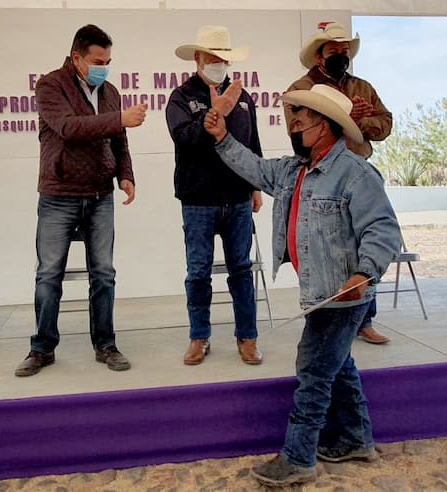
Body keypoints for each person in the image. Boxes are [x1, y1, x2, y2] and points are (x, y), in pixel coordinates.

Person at [204, 84, 400, 487]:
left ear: (326, 126)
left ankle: (298, 458)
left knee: (312, 371)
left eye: (301, 119)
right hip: (321, 293)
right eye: (292, 117)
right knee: (338, 364)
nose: (293, 125)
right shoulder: (295, 170)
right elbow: (255, 169)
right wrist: (223, 138)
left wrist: (363, 275)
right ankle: (357, 438)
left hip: (342, 297)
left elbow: (382, 229)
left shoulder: (357, 173)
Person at [15, 24, 146, 376]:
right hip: (59, 194)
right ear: (76, 57)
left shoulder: (111, 92)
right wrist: (119, 118)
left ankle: (105, 344)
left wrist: (127, 175)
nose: (105, 67)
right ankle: (42, 348)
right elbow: (69, 128)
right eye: (99, 61)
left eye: (109, 61)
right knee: (48, 275)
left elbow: (119, 140)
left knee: (103, 274)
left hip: (101, 194)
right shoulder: (50, 86)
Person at [285, 21, 393, 345]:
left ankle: (364, 318)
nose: (340, 57)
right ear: (319, 56)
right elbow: (297, 134)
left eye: (344, 52)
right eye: (334, 52)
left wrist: (360, 122)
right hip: (320, 177)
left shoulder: (362, 87)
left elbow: (385, 124)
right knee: (324, 248)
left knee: (362, 246)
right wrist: (341, 121)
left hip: (357, 173)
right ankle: (322, 313)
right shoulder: (301, 88)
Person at [166, 25, 264, 366]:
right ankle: (199, 337)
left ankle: (247, 337)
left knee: (241, 269)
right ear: (198, 58)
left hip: (237, 198)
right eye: (212, 58)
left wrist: (255, 184)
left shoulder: (243, 97)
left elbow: (252, 143)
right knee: (198, 272)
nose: (219, 63)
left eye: (224, 58)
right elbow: (184, 139)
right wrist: (216, 112)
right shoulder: (181, 97)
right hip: (198, 200)